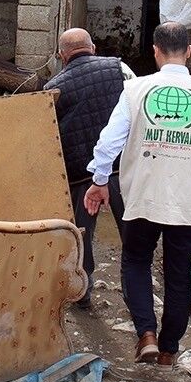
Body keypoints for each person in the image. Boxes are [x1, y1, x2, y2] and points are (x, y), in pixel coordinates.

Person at [85, 22, 191, 367]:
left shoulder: (135, 89)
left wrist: (99, 179)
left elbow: (110, 140)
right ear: (189, 51)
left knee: (136, 261)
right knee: (179, 274)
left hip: (142, 196)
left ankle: (146, 335)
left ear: (155, 50)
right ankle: (168, 349)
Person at [44, 28, 128, 310]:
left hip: (81, 175)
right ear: (92, 47)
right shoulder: (118, 68)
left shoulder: (53, 88)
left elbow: (49, 134)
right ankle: (133, 291)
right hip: (121, 169)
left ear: (61, 56)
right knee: (131, 232)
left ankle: (83, 291)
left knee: (82, 233)